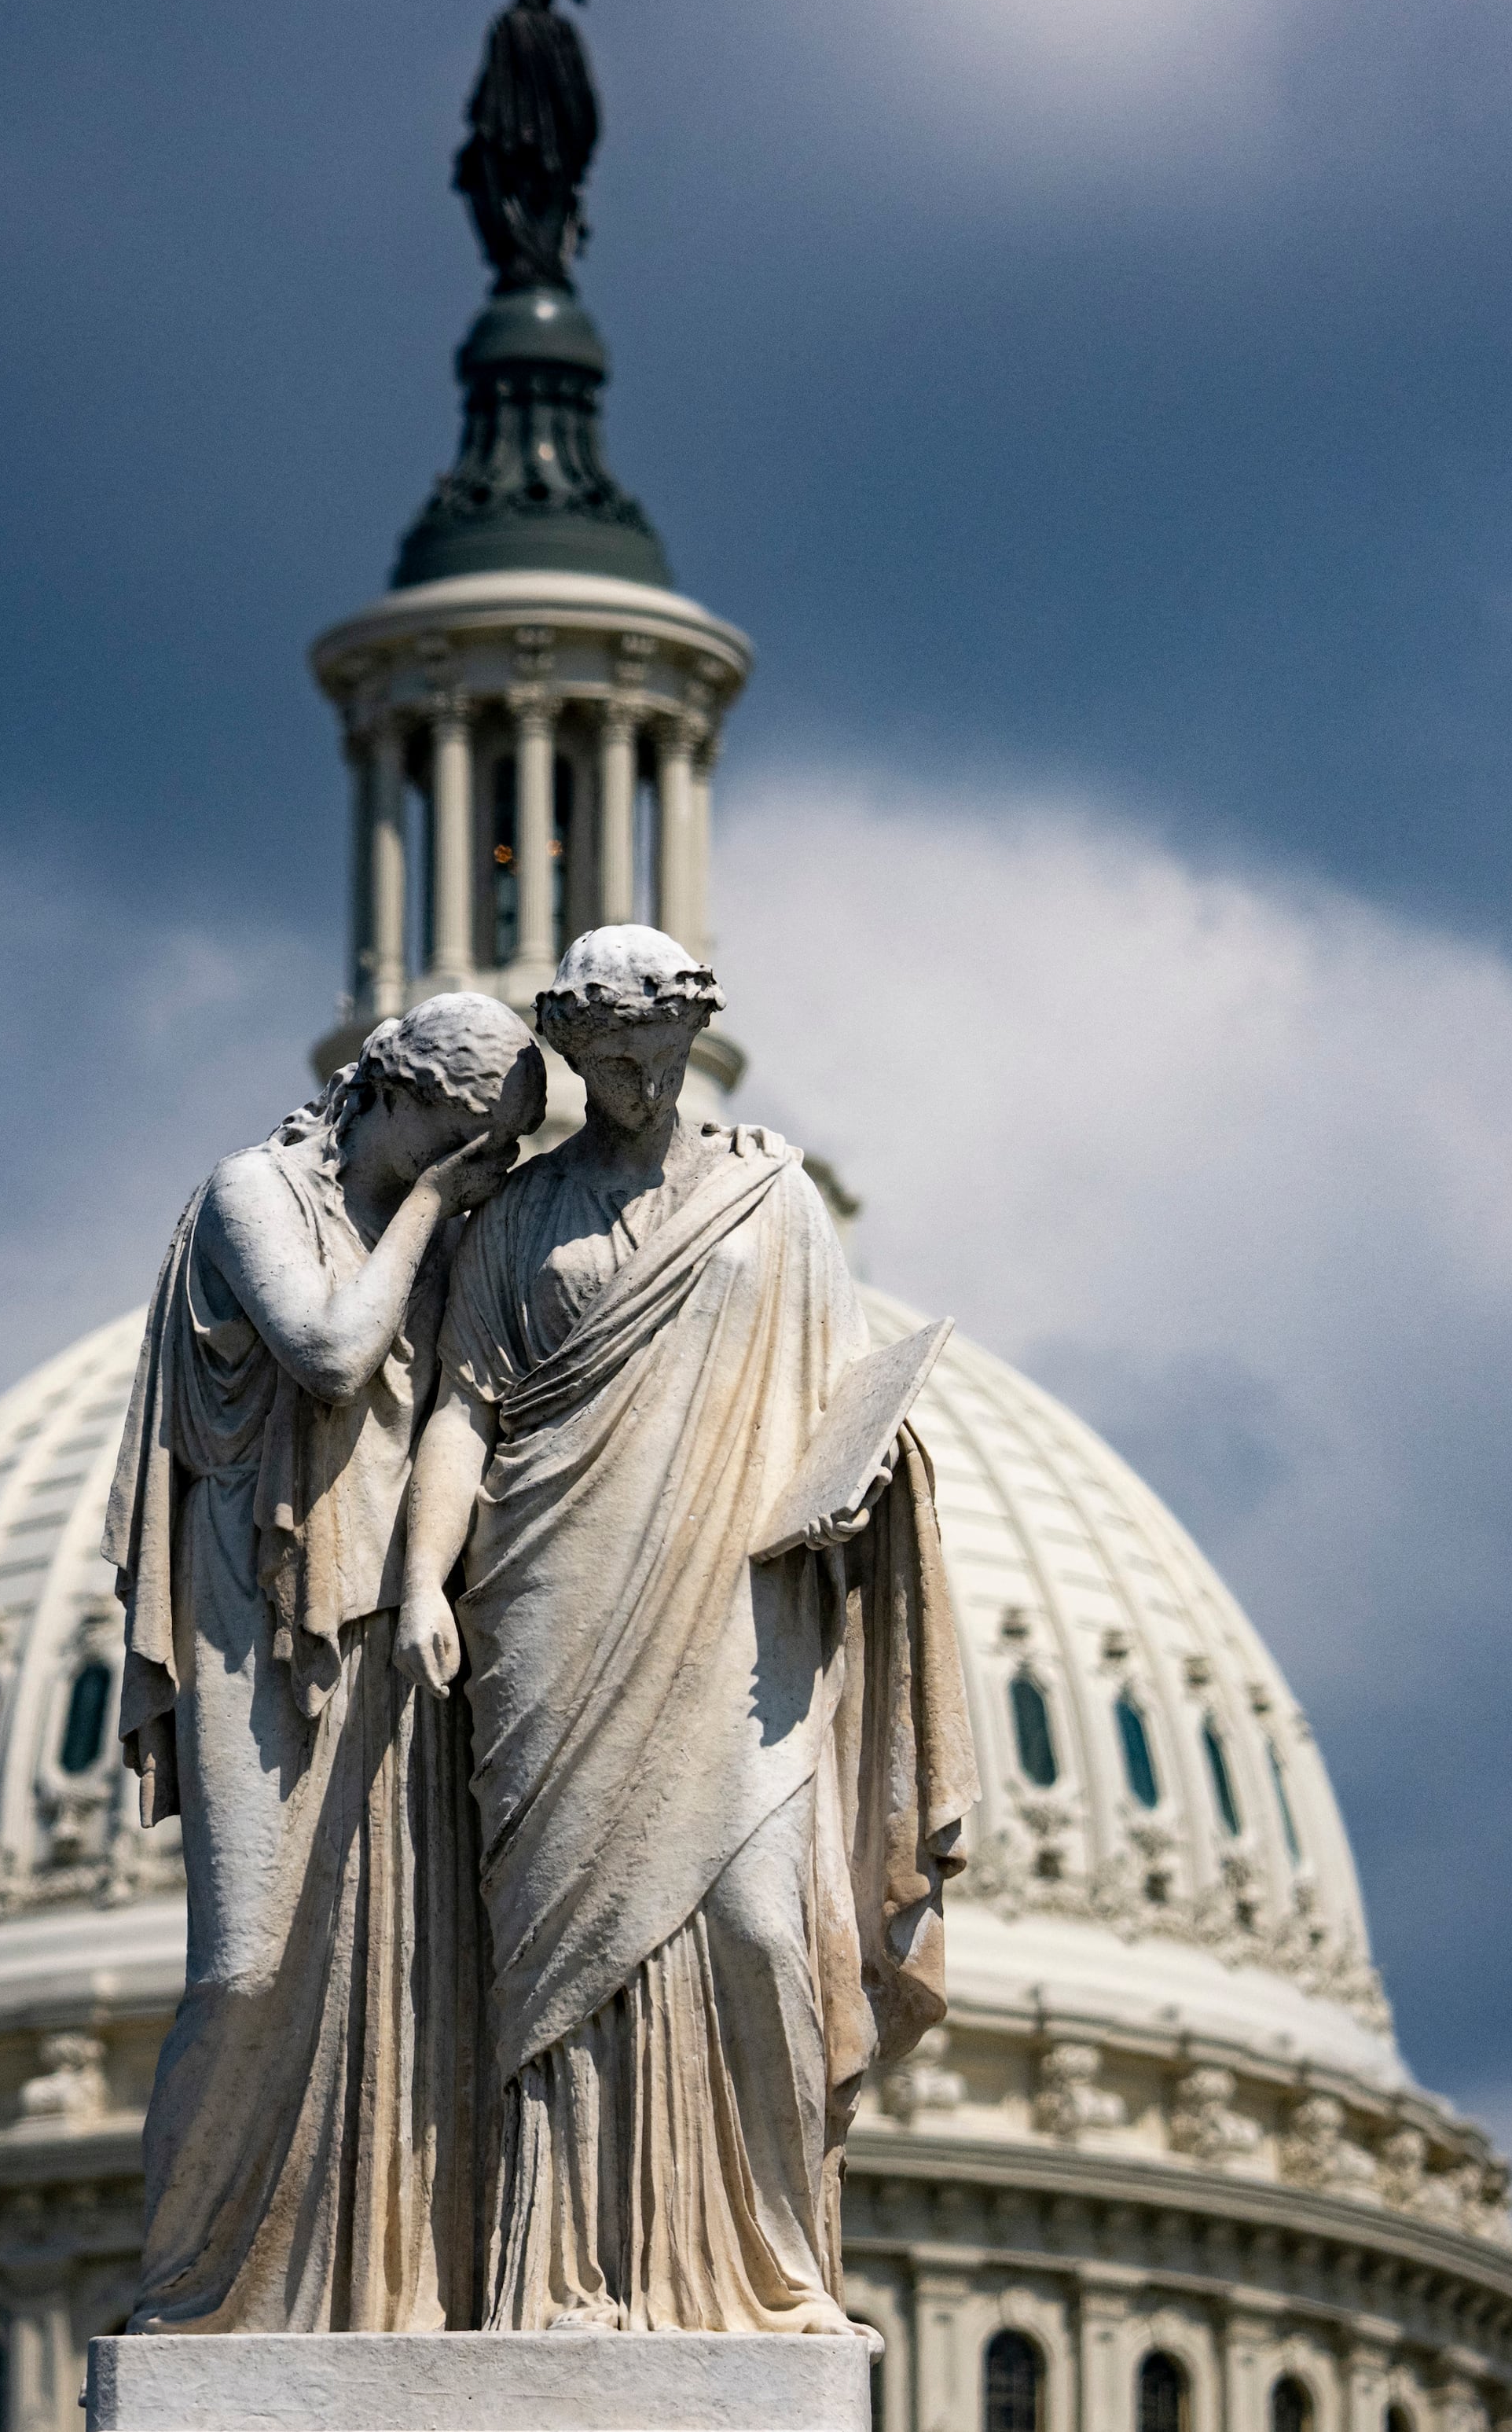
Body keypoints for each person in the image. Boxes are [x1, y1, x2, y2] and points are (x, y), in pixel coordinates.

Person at [398, 928, 973, 2334]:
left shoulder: (775, 1200)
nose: (640, 1085)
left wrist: (867, 1483)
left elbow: (845, 1397)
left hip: (738, 1612)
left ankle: (767, 2268)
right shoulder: (514, 1218)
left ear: (692, 1041)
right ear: (572, 1056)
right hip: (548, 1603)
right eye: (612, 1064)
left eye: (658, 1058)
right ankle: (562, 2273)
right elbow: (463, 1408)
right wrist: (419, 1583)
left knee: (762, 1925)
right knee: (560, 1952)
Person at [107, 992, 540, 2333]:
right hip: (253, 1612)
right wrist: (440, 1205)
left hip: (396, 1628)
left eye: (498, 1150)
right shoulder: (255, 1193)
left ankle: (384, 2286)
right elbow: (332, 1352)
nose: (478, 1168)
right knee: (245, 1969)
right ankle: (191, 2291)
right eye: (464, 1138)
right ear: (395, 1093)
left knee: (398, 1982)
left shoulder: (460, 1230)